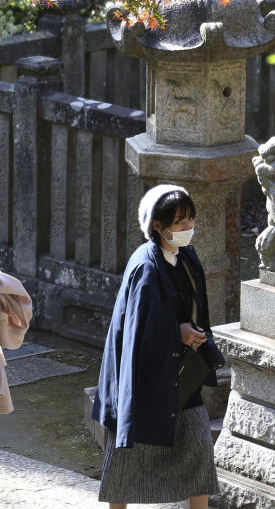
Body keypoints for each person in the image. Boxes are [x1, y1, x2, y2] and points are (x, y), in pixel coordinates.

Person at [91, 184, 219, 509]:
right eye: (179, 222)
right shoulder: (146, 268)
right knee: (128, 453)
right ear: (157, 226)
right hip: (143, 373)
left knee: (200, 444)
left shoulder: (185, 256)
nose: (188, 228)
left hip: (179, 370)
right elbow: (137, 332)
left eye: (190, 220)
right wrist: (177, 332)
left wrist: (191, 334)